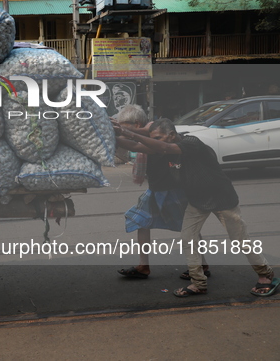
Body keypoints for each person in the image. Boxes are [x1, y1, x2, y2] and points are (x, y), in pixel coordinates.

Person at [114, 118, 278, 297]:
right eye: (154, 138)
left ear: (171, 135)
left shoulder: (191, 143)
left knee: (240, 240)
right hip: (197, 200)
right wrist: (110, 135)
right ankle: (198, 283)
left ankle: (265, 274)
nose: (156, 141)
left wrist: (127, 132)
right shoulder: (162, 147)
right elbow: (136, 146)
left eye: (159, 137)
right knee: (188, 238)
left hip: (221, 197)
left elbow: (163, 147)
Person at [113, 105, 209, 280]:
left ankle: (201, 264)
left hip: (174, 190)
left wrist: (116, 134)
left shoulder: (156, 131)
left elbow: (135, 143)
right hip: (155, 189)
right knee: (140, 221)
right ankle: (143, 266)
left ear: (137, 123)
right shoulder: (150, 133)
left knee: (189, 229)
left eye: (125, 125)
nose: (122, 129)